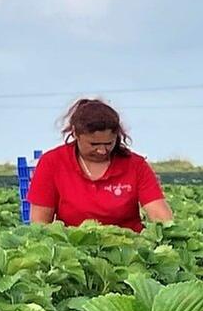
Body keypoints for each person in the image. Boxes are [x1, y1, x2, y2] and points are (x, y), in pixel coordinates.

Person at [26, 98, 174, 231]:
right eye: (94, 144)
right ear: (75, 134)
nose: (102, 150)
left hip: (128, 247)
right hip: (75, 250)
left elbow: (159, 214)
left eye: (109, 143)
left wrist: (168, 232)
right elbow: (40, 224)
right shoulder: (52, 162)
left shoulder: (135, 165)